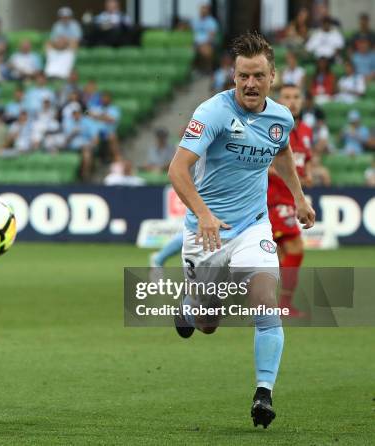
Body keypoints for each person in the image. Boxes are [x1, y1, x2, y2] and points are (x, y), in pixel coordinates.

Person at [167, 32, 315, 429]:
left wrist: (299, 197)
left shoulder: (281, 117)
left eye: (258, 76)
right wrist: (204, 215)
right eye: (242, 76)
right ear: (233, 76)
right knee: (208, 322)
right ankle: (189, 306)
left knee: (267, 307)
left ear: (272, 76)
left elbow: (281, 151)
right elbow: (177, 170)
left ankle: (263, 393)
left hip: (253, 226)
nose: (250, 84)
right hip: (207, 232)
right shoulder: (213, 112)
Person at [267, 84, 312, 318]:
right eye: (287, 97)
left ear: (302, 101)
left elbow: (306, 159)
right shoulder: (272, 127)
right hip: (273, 200)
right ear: (278, 100)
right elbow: (261, 164)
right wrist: (287, 173)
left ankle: (273, 304)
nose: (292, 101)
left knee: (279, 255)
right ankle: (281, 304)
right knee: (294, 249)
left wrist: (308, 173)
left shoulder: (305, 130)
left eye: (296, 97)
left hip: (290, 199)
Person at [192, 3, 219, 73]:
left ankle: (207, 70)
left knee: (206, 51)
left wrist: (203, 44)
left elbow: (212, 36)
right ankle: (196, 70)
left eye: (204, 10)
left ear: (207, 11)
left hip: (207, 43)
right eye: (201, 10)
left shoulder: (211, 22)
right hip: (195, 43)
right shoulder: (195, 21)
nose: (202, 11)